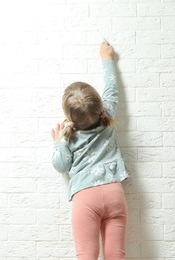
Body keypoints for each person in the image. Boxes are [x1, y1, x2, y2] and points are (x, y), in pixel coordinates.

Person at [51, 41, 129, 260]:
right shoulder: (108, 116)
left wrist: (58, 142)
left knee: (87, 255)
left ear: (70, 116)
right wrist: (107, 58)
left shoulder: (68, 134)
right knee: (116, 256)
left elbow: (61, 166)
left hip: (86, 196)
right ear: (99, 107)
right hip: (114, 192)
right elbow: (111, 88)